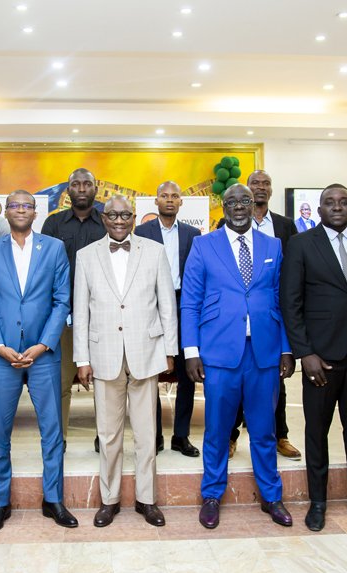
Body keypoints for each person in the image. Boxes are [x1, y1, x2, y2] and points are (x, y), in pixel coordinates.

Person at [182, 184, 295, 530]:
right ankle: (211, 494)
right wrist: (191, 351)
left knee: (264, 430)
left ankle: (271, 496)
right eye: (231, 202)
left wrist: (286, 347)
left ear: (253, 203)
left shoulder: (273, 245)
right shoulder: (203, 245)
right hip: (218, 353)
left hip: (263, 352)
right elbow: (190, 301)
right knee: (217, 430)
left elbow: (281, 300)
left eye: (244, 200)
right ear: (224, 207)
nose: (239, 206)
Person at [280, 183, 347, 532]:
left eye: (343, 202)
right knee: (317, 431)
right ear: (319, 209)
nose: (337, 207)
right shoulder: (301, 244)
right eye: (329, 202)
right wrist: (305, 352)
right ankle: (318, 502)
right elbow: (290, 302)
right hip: (321, 357)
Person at [0, 191, 78, 533]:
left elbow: (62, 301)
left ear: (36, 212)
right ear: (6, 212)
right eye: (15, 205)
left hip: (43, 355)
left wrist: (43, 344)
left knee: (52, 431)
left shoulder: (54, 248)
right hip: (2, 356)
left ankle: (54, 499)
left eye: (27, 206)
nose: (21, 210)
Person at [73, 195, 178, 527]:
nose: (119, 221)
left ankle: (147, 499)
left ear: (134, 218)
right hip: (104, 354)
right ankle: (110, 500)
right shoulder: (86, 256)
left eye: (125, 215)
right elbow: (81, 311)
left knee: (147, 433)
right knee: (108, 434)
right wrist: (82, 358)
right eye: (113, 215)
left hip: (146, 351)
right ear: (104, 218)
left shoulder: (155, 251)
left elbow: (167, 305)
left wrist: (169, 351)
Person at [229, 169, 301, 461]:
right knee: (237, 380)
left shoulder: (285, 226)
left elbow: (294, 268)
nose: (260, 187)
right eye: (255, 183)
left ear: (271, 189)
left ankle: (280, 435)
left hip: (273, 312)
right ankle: (231, 436)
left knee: (276, 380)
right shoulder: (228, 222)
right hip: (239, 317)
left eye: (266, 183)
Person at [133, 180, 202, 457]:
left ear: (181, 202)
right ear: (156, 201)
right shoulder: (141, 232)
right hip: (151, 306)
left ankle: (180, 436)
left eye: (175, 196)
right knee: (151, 373)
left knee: (187, 374)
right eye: (164, 195)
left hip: (185, 305)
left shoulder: (193, 234)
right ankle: (156, 435)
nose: (170, 200)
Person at [41, 168, 107, 451]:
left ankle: (105, 437)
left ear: (95, 189)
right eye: (76, 184)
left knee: (105, 381)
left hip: (102, 317)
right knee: (61, 382)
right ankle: (60, 439)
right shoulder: (53, 224)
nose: (81, 188)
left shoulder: (106, 222)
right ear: (68, 190)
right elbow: (44, 269)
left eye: (87, 184)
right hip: (63, 316)